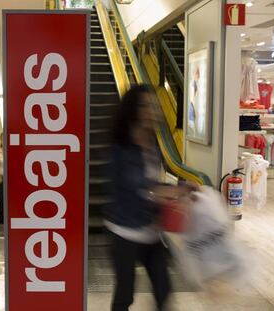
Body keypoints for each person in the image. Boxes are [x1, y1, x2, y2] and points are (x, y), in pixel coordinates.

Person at [105, 84, 191, 311]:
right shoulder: (121, 149)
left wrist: (180, 188)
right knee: (125, 296)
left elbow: (152, 183)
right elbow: (136, 185)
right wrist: (164, 193)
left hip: (151, 234)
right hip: (125, 233)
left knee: (163, 291)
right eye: (144, 105)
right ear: (132, 110)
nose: (151, 111)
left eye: (153, 105)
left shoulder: (151, 145)